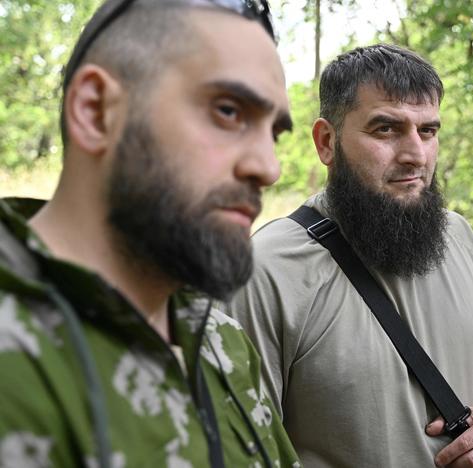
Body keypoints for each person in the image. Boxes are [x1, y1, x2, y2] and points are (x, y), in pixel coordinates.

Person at [0, 1, 301, 466]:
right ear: (96, 110)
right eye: (227, 111)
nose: (269, 167)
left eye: (274, 132)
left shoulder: (222, 341)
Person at [232, 43, 473, 468]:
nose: (415, 155)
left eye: (428, 131)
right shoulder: (266, 270)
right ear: (326, 142)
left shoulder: (459, 236)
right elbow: (239, 450)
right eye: (385, 129)